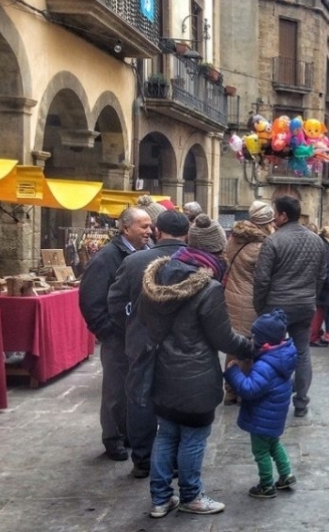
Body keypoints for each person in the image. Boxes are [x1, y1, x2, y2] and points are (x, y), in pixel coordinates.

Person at [138, 214, 255, 518]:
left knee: (166, 434)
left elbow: (145, 320)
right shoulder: (209, 288)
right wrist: (250, 347)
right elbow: (223, 338)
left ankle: (160, 499)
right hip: (195, 375)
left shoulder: (158, 277)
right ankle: (191, 496)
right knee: (193, 436)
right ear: (215, 250)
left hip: (163, 369)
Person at [107, 210, 190, 478]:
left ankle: (143, 460)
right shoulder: (195, 261)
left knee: (140, 399)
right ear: (187, 233)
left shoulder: (134, 261)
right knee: (178, 399)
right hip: (183, 344)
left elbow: (115, 302)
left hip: (142, 340)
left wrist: (132, 325)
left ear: (157, 231)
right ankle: (174, 460)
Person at [79, 206, 151, 462]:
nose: (149, 231)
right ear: (126, 228)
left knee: (133, 388)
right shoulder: (106, 258)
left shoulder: (146, 252)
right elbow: (90, 300)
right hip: (117, 336)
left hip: (137, 335)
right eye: (144, 226)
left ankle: (128, 432)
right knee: (115, 390)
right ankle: (113, 438)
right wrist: (107, 331)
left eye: (150, 226)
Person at [253, 196, 327, 418]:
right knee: (302, 353)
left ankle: (265, 398)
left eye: (275, 213)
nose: (273, 218)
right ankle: (301, 403)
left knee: (266, 352)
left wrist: (259, 306)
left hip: (276, 305)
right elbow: (321, 275)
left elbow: (262, 279)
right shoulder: (317, 241)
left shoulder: (272, 241)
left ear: (283, 216)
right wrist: (311, 296)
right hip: (304, 305)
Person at [223, 308, 298, 499]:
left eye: (255, 336)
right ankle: (286, 474)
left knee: (261, 452)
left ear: (264, 341)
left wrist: (233, 373)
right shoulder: (281, 356)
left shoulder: (265, 365)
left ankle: (266, 485)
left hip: (262, 417)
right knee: (274, 444)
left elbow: (249, 389)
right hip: (275, 414)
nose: (252, 339)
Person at [222, 200, 275, 405]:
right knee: (247, 347)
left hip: (230, 296)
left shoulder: (234, 238)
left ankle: (229, 391)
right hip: (250, 299)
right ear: (266, 222)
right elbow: (264, 277)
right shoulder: (261, 246)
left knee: (233, 345)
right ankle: (242, 389)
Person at [310, 226, 329, 347]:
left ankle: (316, 334)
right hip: (324, 284)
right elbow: (326, 266)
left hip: (325, 283)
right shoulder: (325, 246)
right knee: (319, 312)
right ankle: (314, 337)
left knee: (321, 311)